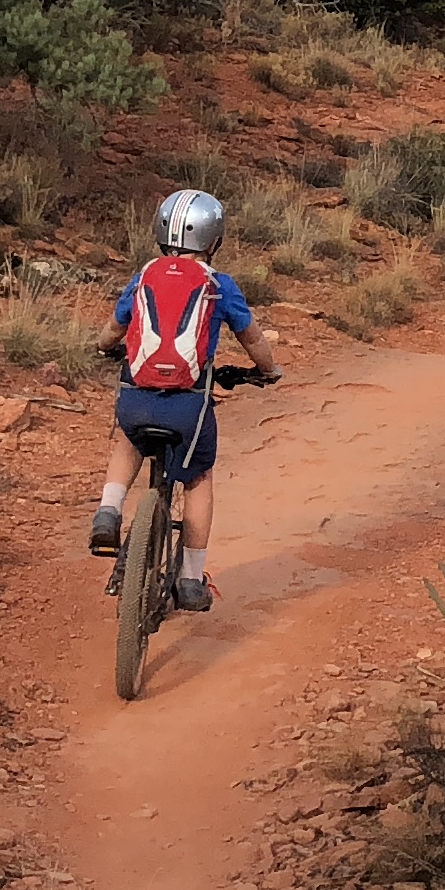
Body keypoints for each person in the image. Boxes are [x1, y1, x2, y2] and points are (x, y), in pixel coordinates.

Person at [90, 188, 281, 612]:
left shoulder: (144, 276)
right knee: (198, 478)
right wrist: (267, 371)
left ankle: (108, 510)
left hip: (137, 401)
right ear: (215, 239)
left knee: (127, 439)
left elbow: (112, 331)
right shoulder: (219, 285)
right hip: (188, 408)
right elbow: (252, 339)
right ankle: (192, 578)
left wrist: (102, 348)